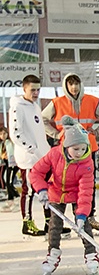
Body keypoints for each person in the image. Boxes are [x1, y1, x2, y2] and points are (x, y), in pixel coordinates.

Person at [42, 72, 99, 233]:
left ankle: (89, 217)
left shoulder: (92, 101)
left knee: (88, 184)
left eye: (76, 83)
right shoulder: (57, 102)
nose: (74, 87)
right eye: (70, 84)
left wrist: (98, 130)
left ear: (80, 85)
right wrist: (56, 134)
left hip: (87, 149)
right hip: (66, 150)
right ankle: (60, 220)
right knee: (63, 182)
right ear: (66, 86)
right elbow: (43, 119)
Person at [31, 116, 98, 275]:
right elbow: (36, 172)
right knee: (54, 226)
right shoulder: (55, 154)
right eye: (76, 149)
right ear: (67, 146)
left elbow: (86, 191)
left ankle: (91, 255)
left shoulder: (86, 163)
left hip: (76, 193)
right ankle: (52, 255)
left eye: (83, 149)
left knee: (84, 226)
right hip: (56, 192)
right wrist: (41, 190)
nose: (80, 153)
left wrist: (82, 215)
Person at [9, 74, 51, 235]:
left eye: (38, 90)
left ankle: (49, 222)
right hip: (29, 159)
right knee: (29, 191)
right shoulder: (17, 106)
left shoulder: (35, 106)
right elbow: (16, 133)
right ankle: (27, 222)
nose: (36, 93)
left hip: (42, 157)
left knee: (45, 189)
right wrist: (32, 149)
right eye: (32, 90)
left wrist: (45, 151)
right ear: (24, 89)